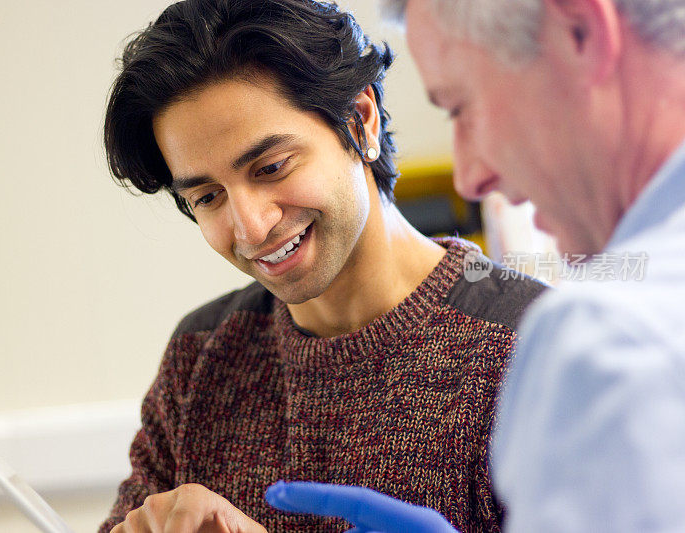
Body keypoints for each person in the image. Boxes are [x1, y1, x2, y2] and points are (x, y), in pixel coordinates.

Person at [99, 0, 545, 531]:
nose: (250, 229)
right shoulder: (201, 357)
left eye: (270, 167)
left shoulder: (533, 345)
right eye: (208, 197)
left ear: (361, 121)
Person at [269, 0, 685, 531]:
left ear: (581, 32)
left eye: (462, 107)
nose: (470, 178)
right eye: (206, 196)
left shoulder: (611, 340)